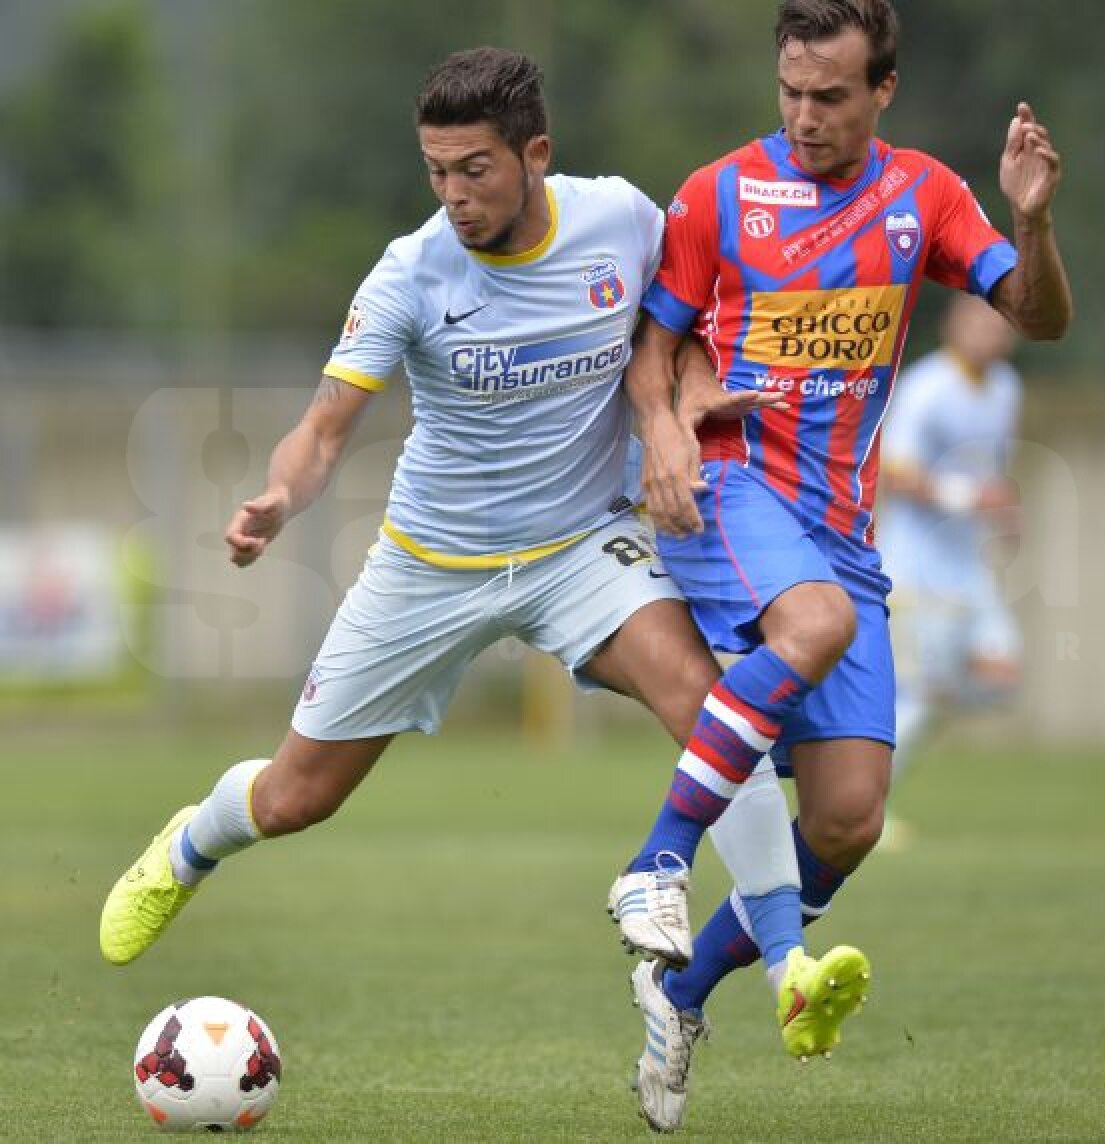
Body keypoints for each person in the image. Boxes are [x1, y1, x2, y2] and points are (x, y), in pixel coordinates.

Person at [98, 48, 805, 1008]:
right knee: (297, 799)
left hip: (580, 550)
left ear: (535, 154)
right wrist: (279, 498)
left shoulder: (625, 222)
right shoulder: (411, 274)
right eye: (436, 172)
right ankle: (187, 847)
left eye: (475, 169)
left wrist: (687, 401)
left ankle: (787, 967)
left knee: (712, 710)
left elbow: (669, 338)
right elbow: (322, 428)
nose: (454, 196)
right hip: (432, 565)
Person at [613, 0, 1072, 1131]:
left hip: (842, 532)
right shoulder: (718, 193)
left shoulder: (929, 195)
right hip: (731, 489)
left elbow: (1039, 315)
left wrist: (1035, 221)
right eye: (790, 93)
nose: (805, 116)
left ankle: (678, 989)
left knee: (850, 819)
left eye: (830, 96)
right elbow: (654, 342)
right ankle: (655, 864)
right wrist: (668, 433)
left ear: (884, 93)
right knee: (808, 629)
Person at [877, 295, 1024, 819]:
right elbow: (894, 472)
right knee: (920, 694)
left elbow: (992, 471)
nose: (991, 334)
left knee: (999, 674)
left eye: (998, 325)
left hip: (969, 566)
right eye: (978, 322)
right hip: (917, 567)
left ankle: (855, 773)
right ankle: (866, 804)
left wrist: (1004, 511)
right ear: (953, 327)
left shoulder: (1007, 387)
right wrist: (967, 497)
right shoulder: (927, 387)